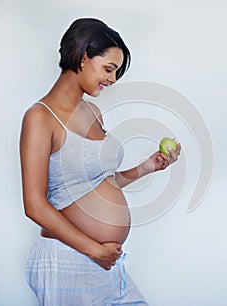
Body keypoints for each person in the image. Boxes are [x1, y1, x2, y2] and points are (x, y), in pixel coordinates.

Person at [19, 18, 181, 306]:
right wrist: (93, 249)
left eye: (116, 72)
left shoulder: (93, 112)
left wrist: (147, 167)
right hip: (67, 262)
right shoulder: (40, 118)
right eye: (109, 69)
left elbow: (98, 183)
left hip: (106, 262)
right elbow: (34, 205)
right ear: (82, 57)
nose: (113, 80)